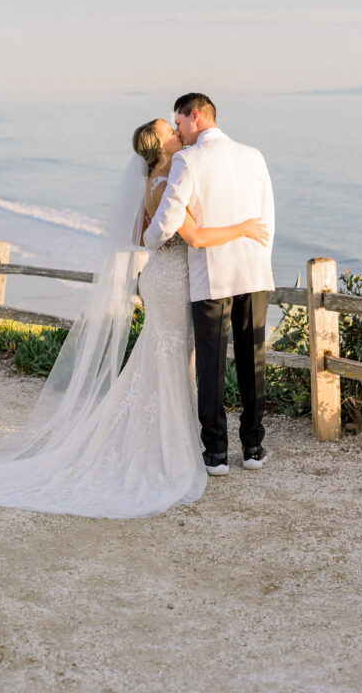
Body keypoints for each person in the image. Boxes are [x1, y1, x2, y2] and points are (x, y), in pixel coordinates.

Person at [0, 117, 268, 518]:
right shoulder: (171, 173)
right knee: (171, 358)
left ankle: (176, 439)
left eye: (177, 126)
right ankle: (173, 446)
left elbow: (137, 234)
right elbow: (190, 233)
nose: (177, 131)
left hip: (159, 277)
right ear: (161, 143)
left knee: (162, 357)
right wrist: (245, 227)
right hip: (172, 282)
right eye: (169, 129)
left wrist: (162, 241)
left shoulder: (154, 176)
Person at [143, 94, 275, 476]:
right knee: (254, 361)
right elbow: (267, 216)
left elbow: (168, 219)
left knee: (211, 366)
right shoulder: (254, 155)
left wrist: (150, 243)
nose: (178, 130)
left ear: (194, 116)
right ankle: (253, 447)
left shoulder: (188, 160)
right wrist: (260, 262)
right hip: (253, 270)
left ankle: (216, 453)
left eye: (179, 122)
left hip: (212, 274)